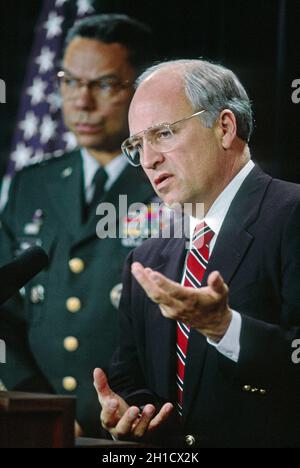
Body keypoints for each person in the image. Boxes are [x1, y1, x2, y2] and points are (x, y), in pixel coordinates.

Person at [93, 59, 300, 448]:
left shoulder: (291, 215)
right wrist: (135, 413)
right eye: (138, 144)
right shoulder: (146, 257)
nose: (149, 159)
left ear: (224, 127)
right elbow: (128, 376)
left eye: (164, 134)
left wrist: (225, 328)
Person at [0, 14, 155, 437]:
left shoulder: (170, 183)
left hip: (137, 427)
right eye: (70, 81)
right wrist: (34, 400)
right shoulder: (31, 185)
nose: (81, 101)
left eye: (104, 85)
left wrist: (139, 412)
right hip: (40, 422)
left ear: (141, 90)